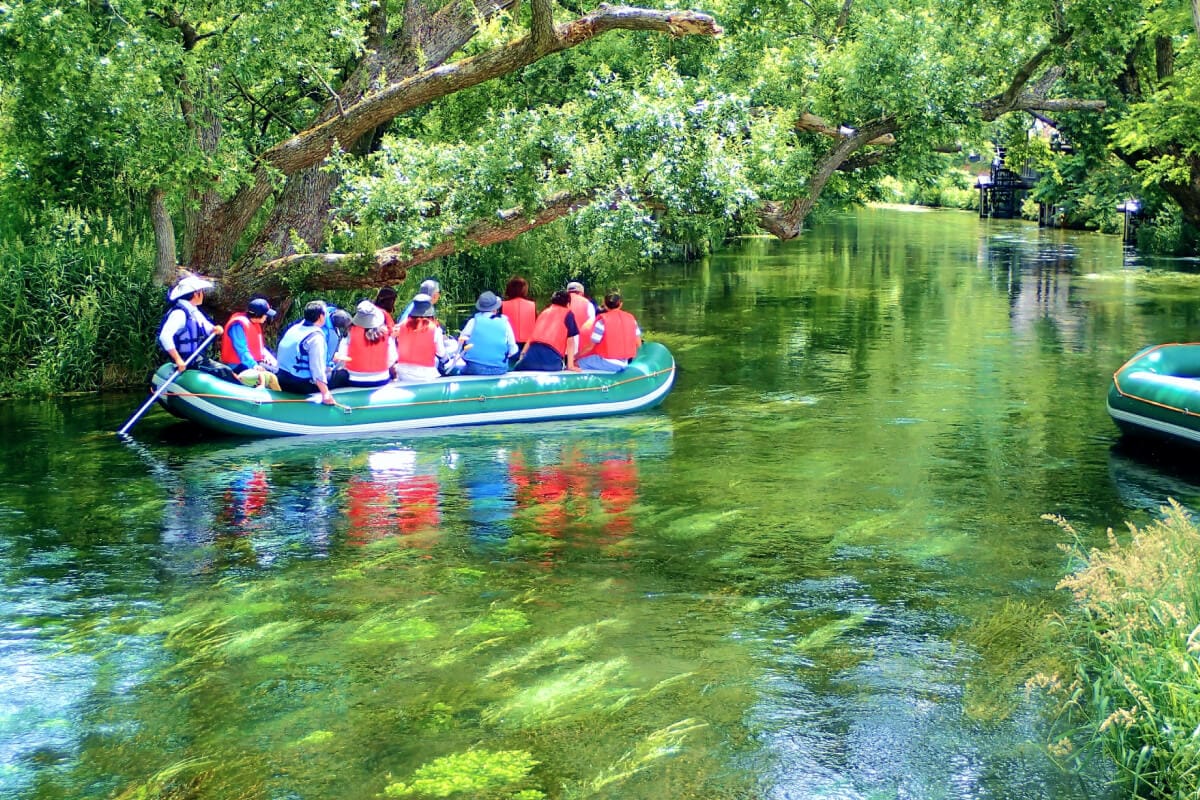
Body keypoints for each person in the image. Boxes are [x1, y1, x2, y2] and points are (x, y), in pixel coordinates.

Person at [158, 273, 224, 374]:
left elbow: (208, 328)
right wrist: (178, 360)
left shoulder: (194, 311)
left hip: (196, 358)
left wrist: (216, 329)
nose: (202, 294)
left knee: (226, 370)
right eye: (201, 292)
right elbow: (164, 337)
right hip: (185, 361)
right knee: (223, 371)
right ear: (195, 294)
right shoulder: (179, 313)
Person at [275, 301, 337, 404]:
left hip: (281, 377)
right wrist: (325, 394)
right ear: (321, 317)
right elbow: (317, 369)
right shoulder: (316, 338)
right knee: (342, 375)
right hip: (300, 385)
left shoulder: (294, 328)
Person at [219, 297, 281, 389]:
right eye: (265, 314)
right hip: (238, 365)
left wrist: (273, 361)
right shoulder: (238, 325)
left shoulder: (254, 323)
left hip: (253, 361)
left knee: (278, 370)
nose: (266, 317)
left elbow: (260, 348)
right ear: (258, 314)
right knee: (275, 374)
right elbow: (242, 350)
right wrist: (254, 365)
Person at [513, 290, 579, 372]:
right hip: (551, 361)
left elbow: (532, 337)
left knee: (516, 368)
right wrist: (571, 366)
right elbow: (570, 341)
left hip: (531, 357)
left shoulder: (544, 312)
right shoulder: (568, 314)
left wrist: (522, 355)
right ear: (568, 304)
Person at [337, 300, 397, 387]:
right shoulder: (385, 333)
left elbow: (342, 357)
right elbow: (392, 358)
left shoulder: (349, 333)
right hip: (381, 379)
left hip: (354, 379)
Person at [577, 293, 642, 372]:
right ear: (620, 304)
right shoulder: (632, 320)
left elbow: (590, 347)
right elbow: (638, 344)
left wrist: (575, 357)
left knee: (576, 363)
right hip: (625, 362)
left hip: (608, 362)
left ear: (605, 305)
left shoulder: (601, 322)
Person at [458, 291, 518, 375]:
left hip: (474, 368)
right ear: (495, 308)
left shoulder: (473, 321)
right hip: (499, 369)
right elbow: (513, 349)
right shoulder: (504, 322)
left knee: (459, 370)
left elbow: (460, 343)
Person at [393, 294, 447, 382]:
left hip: (403, 374)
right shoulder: (435, 329)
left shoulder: (401, 326)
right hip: (424, 375)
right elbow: (441, 353)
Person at [501, 276, 537, 351]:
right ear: (524, 290)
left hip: (508, 343)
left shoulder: (503, 305)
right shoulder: (532, 305)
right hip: (528, 345)